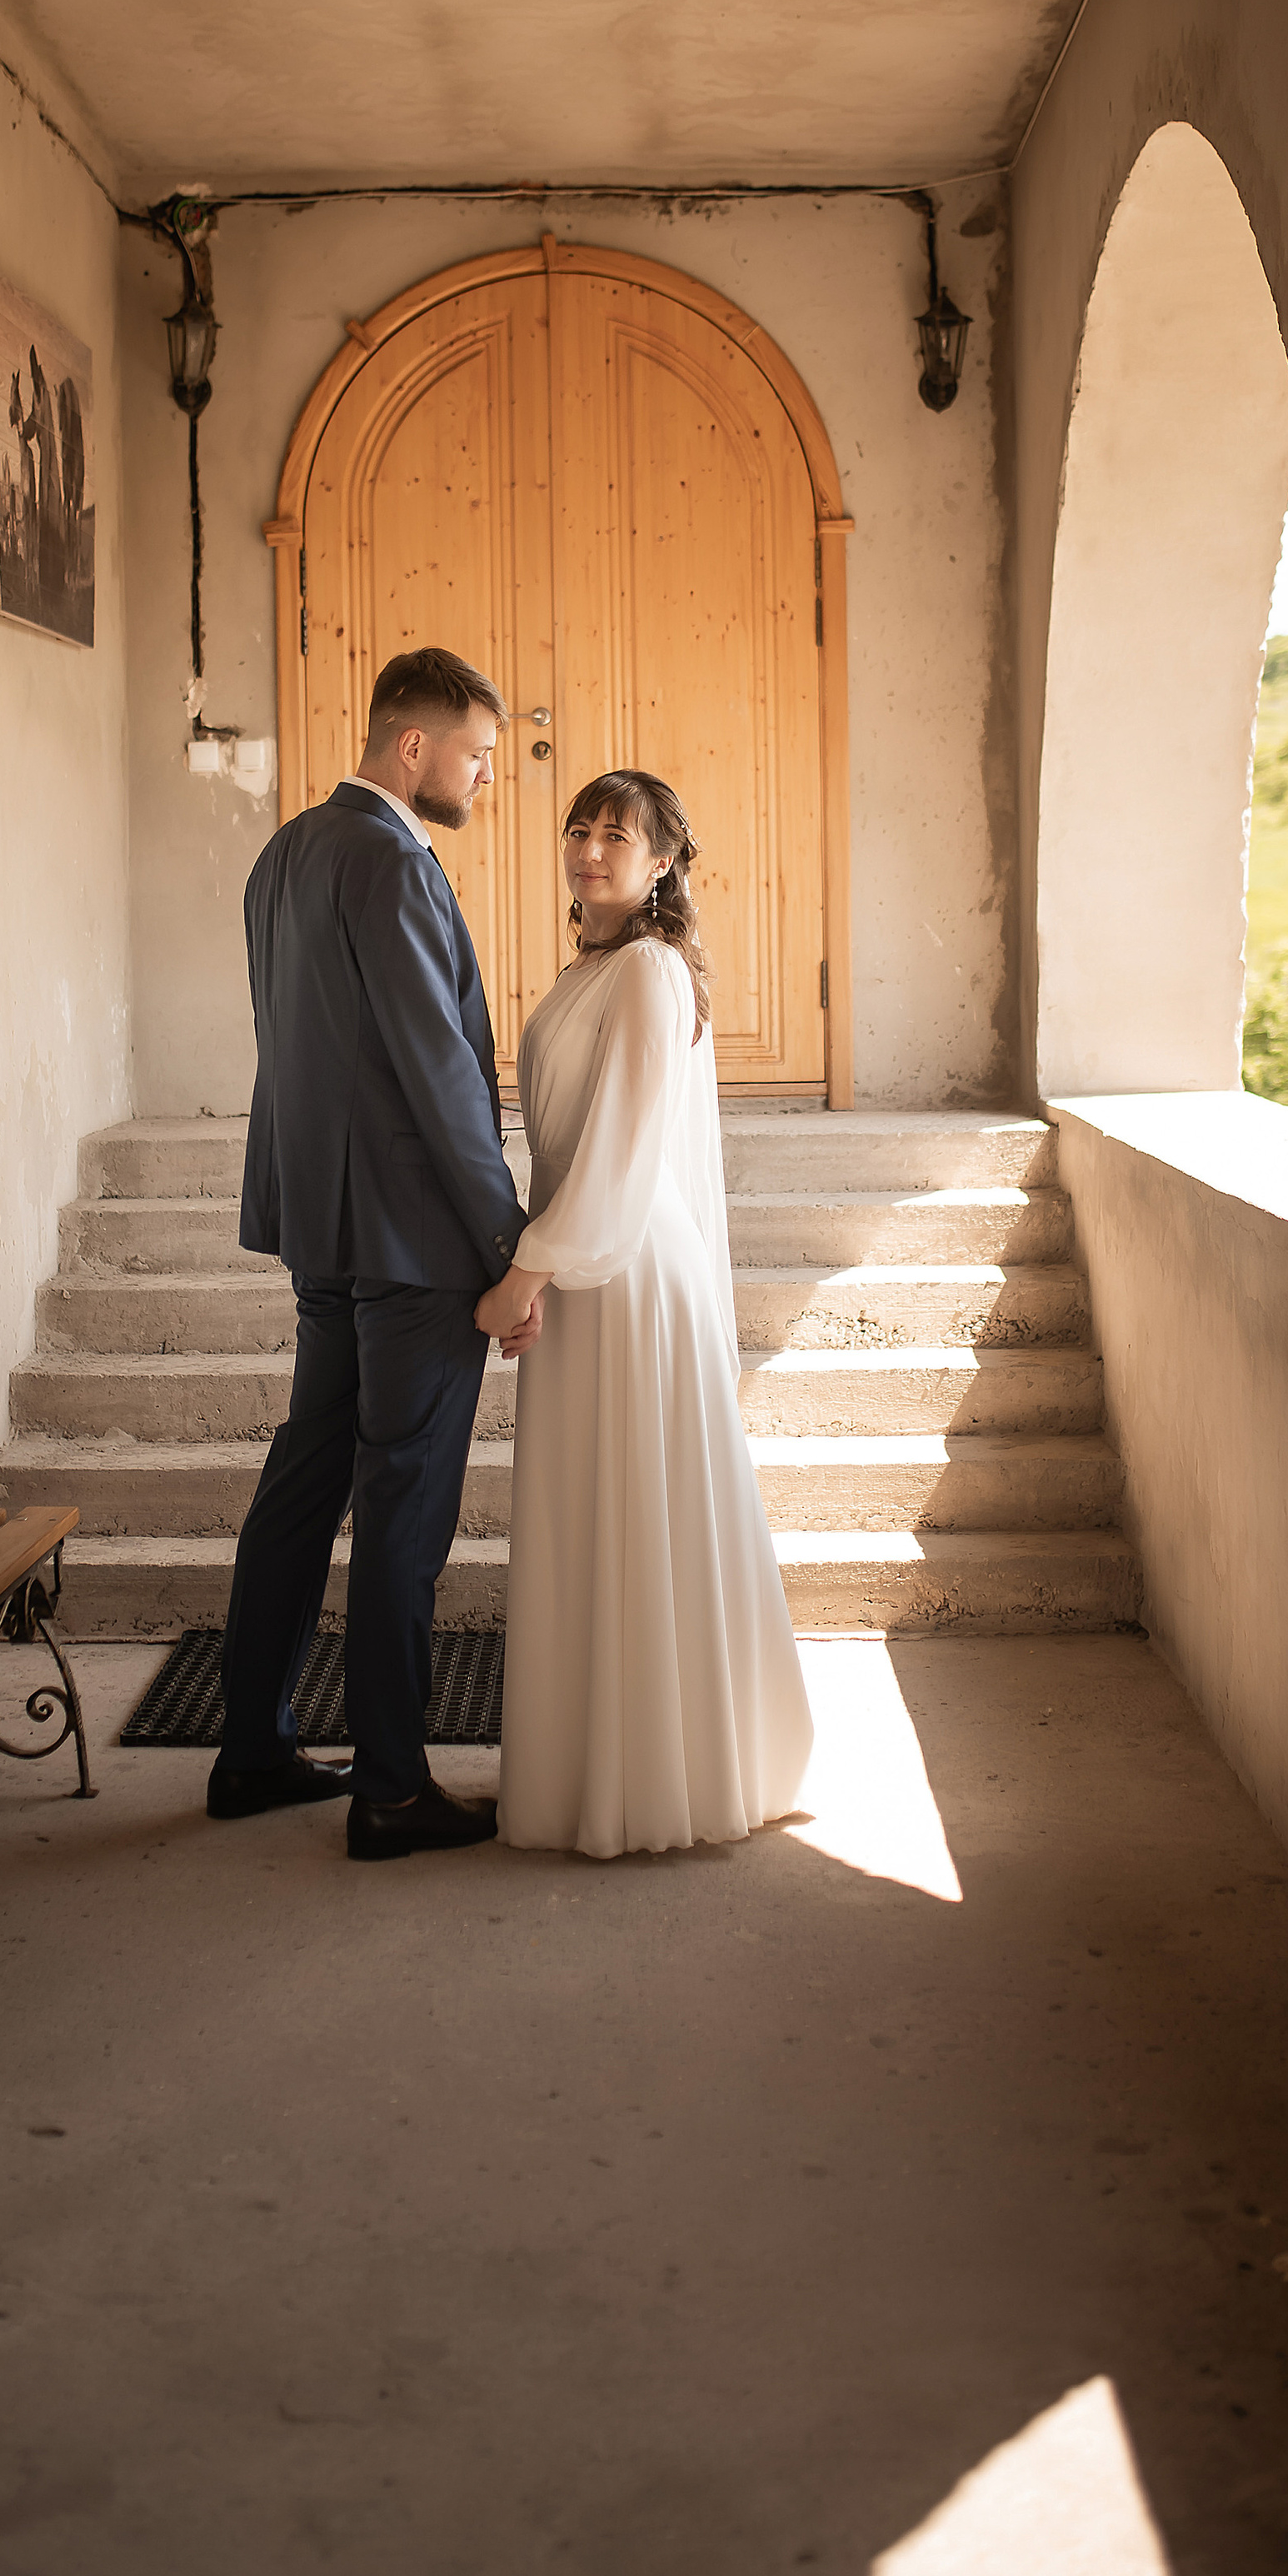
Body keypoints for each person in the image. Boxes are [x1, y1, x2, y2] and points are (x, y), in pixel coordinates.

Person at [212, 646, 538, 1860]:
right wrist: (509, 1244)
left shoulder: (283, 855)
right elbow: (435, 1070)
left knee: (306, 1478)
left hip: (322, 1226)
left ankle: (252, 1749)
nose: (484, 775)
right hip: (412, 1243)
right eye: (477, 753)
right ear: (415, 746)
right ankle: (393, 1788)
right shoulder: (395, 862)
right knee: (404, 1506)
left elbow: (299, 1045)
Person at [477, 772, 815, 1858]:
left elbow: (621, 1160)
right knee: (595, 1515)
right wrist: (539, 1260)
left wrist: (526, 1275)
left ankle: (654, 1778)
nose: (589, 848)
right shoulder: (598, 968)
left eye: (617, 835)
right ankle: (592, 1770)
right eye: (578, 829)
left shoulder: (651, 975)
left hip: (623, 1270)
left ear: (665, 860)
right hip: (584, 1258)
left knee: (634, 1506)